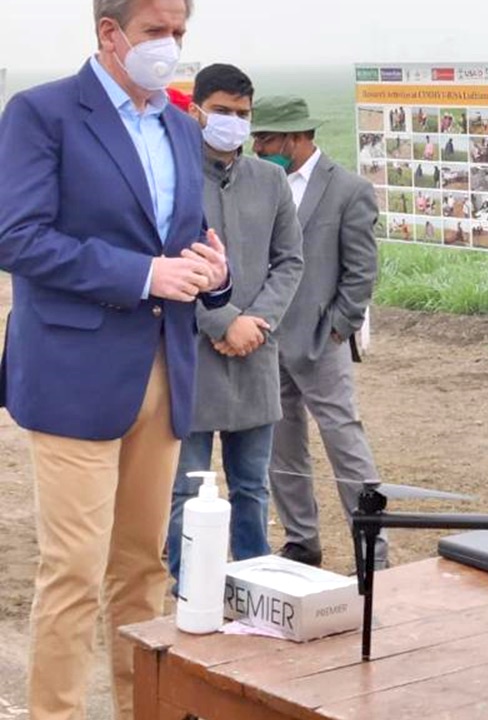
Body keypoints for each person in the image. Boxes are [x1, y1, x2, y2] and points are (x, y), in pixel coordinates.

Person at [0, 0, 231, 716]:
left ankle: (146, 709)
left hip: (164, 368)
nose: (172, 46)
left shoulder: (178, 124)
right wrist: (142, 274)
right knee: (72, 570)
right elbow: (18, 238)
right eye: (157, 32)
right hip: (75, 375)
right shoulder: (42, 114)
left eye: (181, 33)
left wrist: (212, 271)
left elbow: (186, 240)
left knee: (143, 568)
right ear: (109, 34)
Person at [166, 64, 304, 586]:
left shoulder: (269, 180)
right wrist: (223, 321)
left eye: (242, 114)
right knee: (187, 486)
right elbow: (165, 262)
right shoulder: (173, 177)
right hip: (190, 353)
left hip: (255, 353)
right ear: (197, 109)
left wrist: (257, 322)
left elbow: (290, 260)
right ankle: (189, 585)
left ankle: (254, 583)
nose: (233, 122)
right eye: (222, 111)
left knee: (252, 486)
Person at [250, 96, 388, 569]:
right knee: (281, 446)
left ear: (297, 137)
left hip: (319, 341)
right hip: (263, 340)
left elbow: (361, 271)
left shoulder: (348, 189)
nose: (257, 146)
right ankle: (301, 541)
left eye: (266, 138)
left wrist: (336, 328)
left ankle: (372, 550)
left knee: (344, 441)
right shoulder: (258, 184)